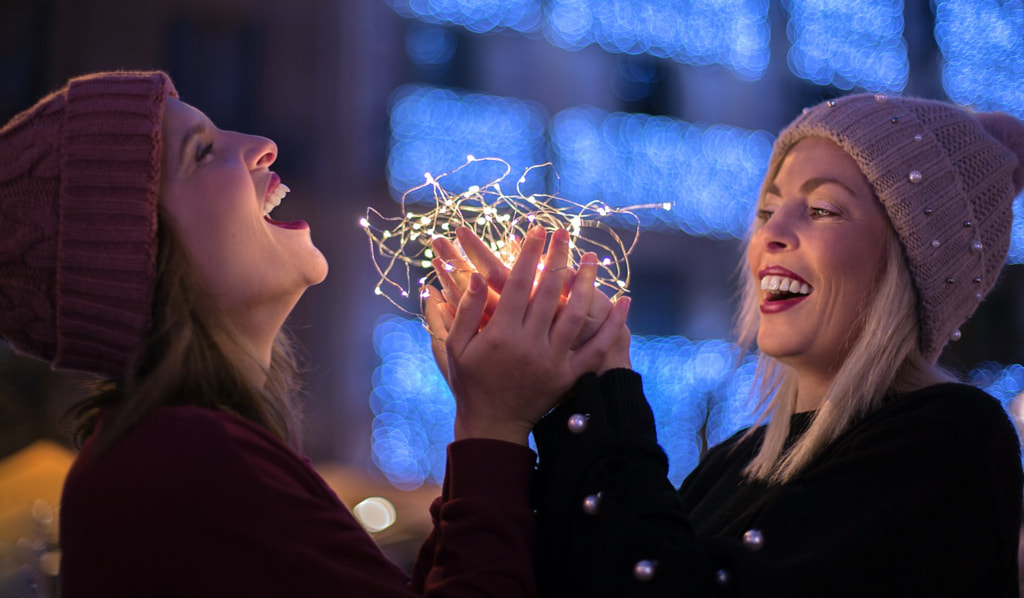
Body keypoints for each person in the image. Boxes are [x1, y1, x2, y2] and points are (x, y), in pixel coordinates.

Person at [0, 70, 627, 597]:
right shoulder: (182, 462)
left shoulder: (181, 452)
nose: (262, 144)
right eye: (201, 153)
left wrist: (485, 418)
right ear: (131, 257)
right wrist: (492, 426)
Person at [425, 94, 1024, 596]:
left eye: (821, 209)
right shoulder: (732, 462)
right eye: (767, 210)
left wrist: (600, 386)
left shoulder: (953, 437)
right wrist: (536, 398)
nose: (772, 236)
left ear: (910, 263)